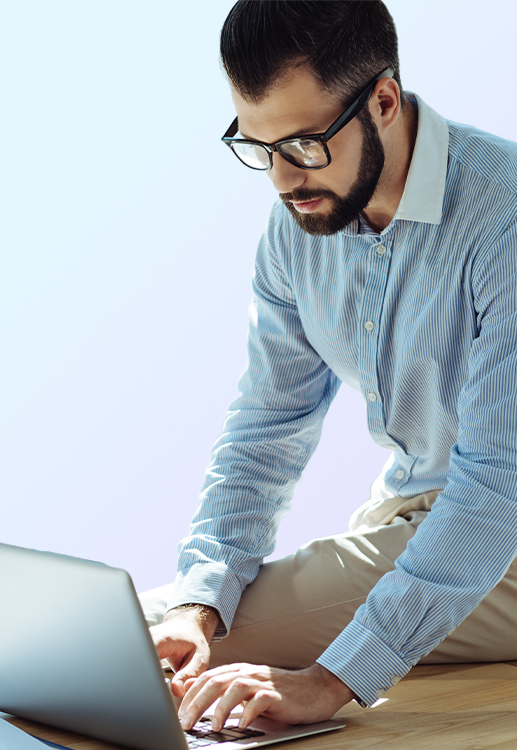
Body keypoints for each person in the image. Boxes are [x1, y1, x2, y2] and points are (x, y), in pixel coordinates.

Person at [142, 0, 517, 733]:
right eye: (259, 146)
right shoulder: (296, 233)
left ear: (382, 99)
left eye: (306, 143)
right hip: (415, 520)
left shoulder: (502, 218)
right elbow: (264, 429)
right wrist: (201, 600)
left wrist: (333, 679)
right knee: (160, 633)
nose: (283, 179)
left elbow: (497, 485)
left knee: (119, 646)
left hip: (499, 533)